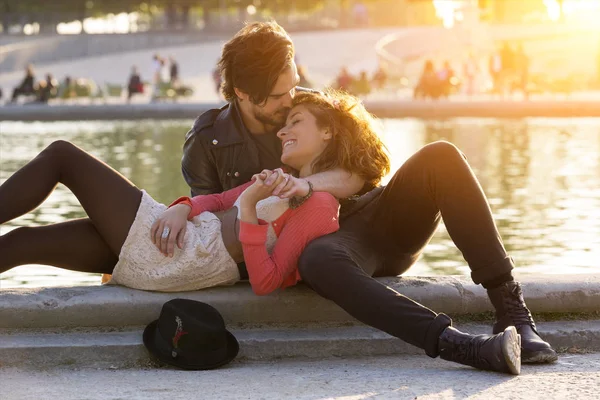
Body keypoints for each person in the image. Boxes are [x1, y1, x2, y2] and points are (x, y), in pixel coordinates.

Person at [182, 21, 557, 370]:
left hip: (375, 223)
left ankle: (512, 312)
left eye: (294, 84)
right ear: (245, 93)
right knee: (318, 258)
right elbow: (214, 237)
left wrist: (308, 185)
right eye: (280, 95)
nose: (292, 99)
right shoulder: (208, 141)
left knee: (440, 155)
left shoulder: (311, 105)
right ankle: (456, 345)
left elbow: (368, 168)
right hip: (321, 252)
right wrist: (188, 210)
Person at [0, 89, 385, 295]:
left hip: (189, 257)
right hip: (175, 239)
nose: (281, 131)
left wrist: (250, 207)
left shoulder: (319, 200)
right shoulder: (282, 178)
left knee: (62, 156)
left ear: (328, 132)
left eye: (295, 122)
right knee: (21, 242)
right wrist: (182, 207)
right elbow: (217, 201)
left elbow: (268, 281)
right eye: (284, 124)